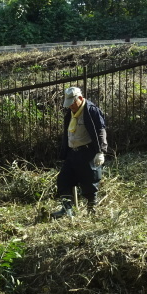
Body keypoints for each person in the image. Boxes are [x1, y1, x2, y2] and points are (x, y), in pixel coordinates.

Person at [51, 86, 108, 218]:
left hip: (87, 152)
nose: (70, 106)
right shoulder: (70, 114)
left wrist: (101, 151)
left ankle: (92, 210)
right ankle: (67, 209)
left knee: (90, 182)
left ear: (80, 99)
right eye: (69, 104)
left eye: (72, 103)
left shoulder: (91, 110)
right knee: (63, 180)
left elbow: (100, 130)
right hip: (73, 153)